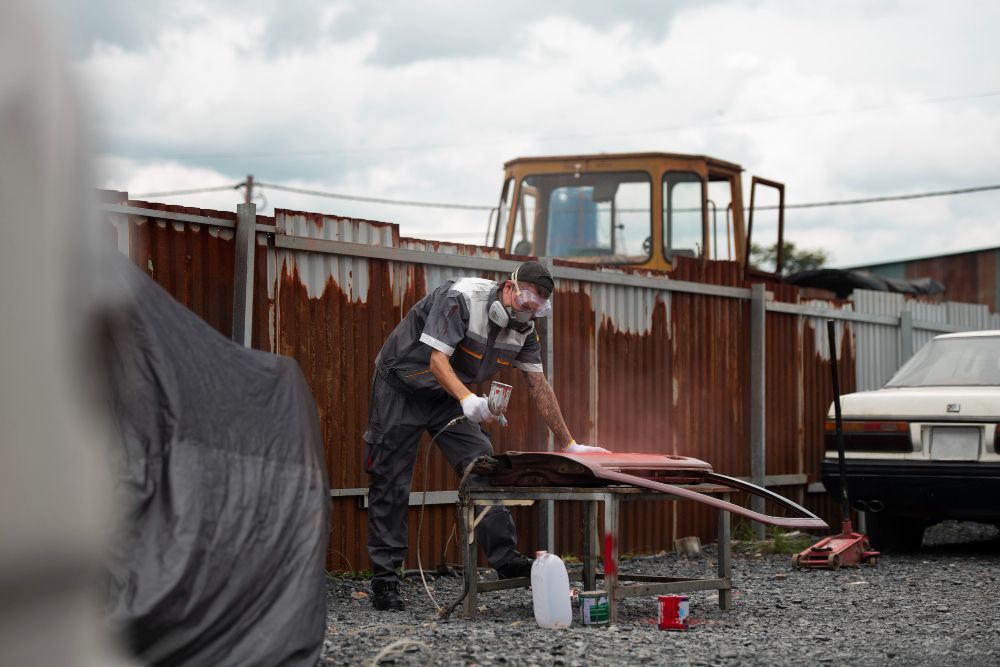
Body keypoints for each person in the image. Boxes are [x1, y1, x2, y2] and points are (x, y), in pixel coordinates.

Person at [364, 260, 607, 611]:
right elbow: (436, 361)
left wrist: (570, 443)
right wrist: (467, 399)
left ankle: (504, 557)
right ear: (510, 288)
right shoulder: (460, 298)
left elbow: (539, 385)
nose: (528, 313)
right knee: (390, 479)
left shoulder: (525, 330)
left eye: (537, 308)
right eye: (526, 303)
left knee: (483, 466)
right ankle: (385, 580)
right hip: (402, 385)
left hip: (449, 396)